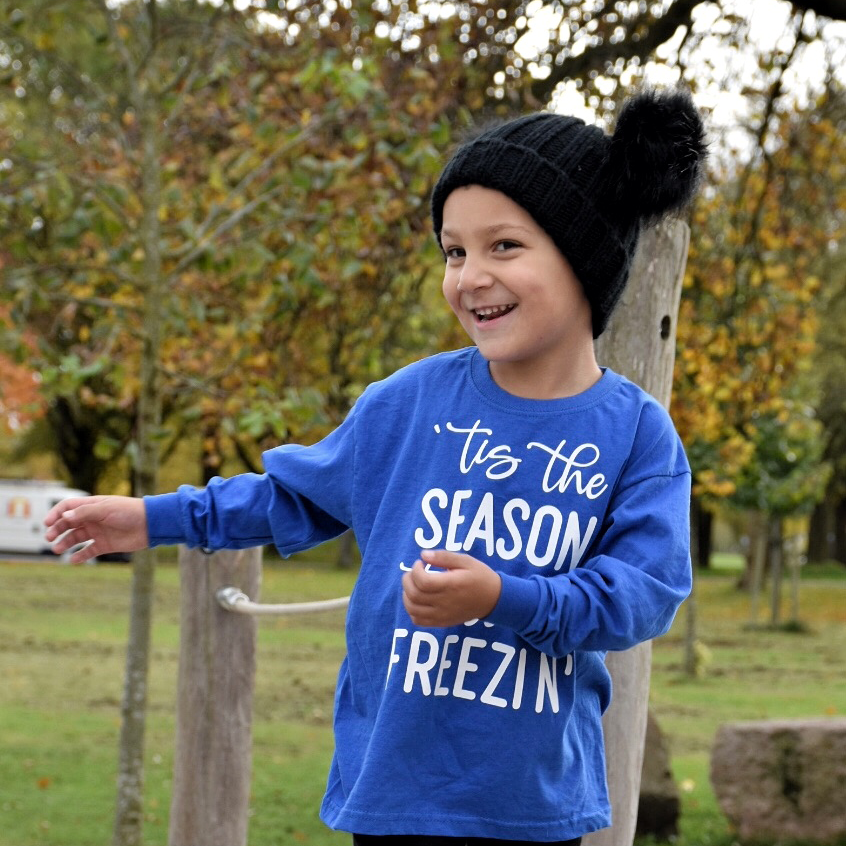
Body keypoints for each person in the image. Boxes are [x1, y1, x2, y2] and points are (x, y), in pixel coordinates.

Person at [45, 88, 707, 845]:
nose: (469, 276)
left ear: (585, 255)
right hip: (393, 793)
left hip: (533, 806)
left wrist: (504, 598)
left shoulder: (637, 436)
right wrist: (148, 518)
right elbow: (291, 499)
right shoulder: (408, 401)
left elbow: (642, 596)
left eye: (504, 246)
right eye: (453, 251)